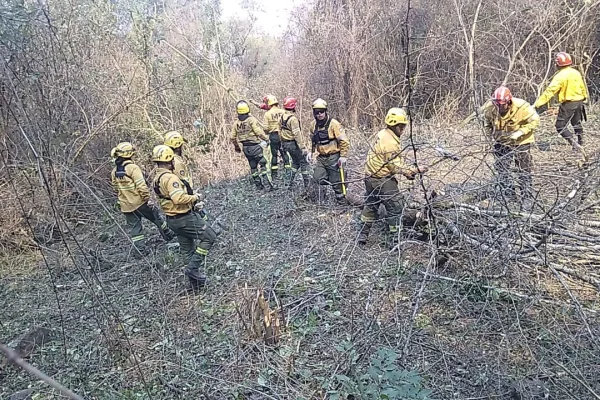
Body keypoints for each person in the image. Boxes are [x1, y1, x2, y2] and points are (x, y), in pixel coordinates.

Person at [357, 108, 428, 245]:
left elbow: (391, 162)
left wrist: (408, 172)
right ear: (396, 125)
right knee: (396, 207)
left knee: (371, 205)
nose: (403, 129)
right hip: (381, 179)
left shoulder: (383, 134)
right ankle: (395, 240)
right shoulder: (390, 142)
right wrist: (414, 170)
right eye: (401, 126)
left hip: (369, 177)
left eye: (404, 126)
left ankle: (363, 234)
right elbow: (394, 166)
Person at [152, 145, 217, 290]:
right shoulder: (170, 178)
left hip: (172, 220)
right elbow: (177, 198)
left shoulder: (157, 178)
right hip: (184, 218)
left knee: (187, 250)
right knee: (210, 236)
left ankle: (195, 285)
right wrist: (194, 198)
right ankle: (193, 268)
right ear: (170, 161)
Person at [110, 142, 175, 255]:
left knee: (136, 229)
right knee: (156, 218)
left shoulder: (114, 171)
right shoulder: (133, 168)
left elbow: (116, 188)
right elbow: (141, 186)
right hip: (140, 203)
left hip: (126, 206)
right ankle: (168, 235)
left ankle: (140, 250)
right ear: (130, 154)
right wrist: (147, 199)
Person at [481, 86, 539, 205]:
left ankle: (526, 196)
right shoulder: (489, 108)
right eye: (497, 104)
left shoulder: (522, 107)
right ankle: (508, 194)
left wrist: (520, 132)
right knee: (502, 168)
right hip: (501, 141)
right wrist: (488, 139)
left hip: (521, 141)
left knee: (523, 169)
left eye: (502, 104)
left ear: (509, 102)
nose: (499, 107)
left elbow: (535, 121)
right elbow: (487, 124)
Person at [534, 52, 588, 150]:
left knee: (560, 126)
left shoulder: (560, 76)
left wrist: (538, 104)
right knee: (576, 122)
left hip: (568, 103)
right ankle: (581, 141)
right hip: (580, 101)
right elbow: (582, 86)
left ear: (557, 64)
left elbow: (549, 91)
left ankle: (575, 145)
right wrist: (584, 97)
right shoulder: (576, 72)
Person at [308, 98, 350, 204]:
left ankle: (341, 200)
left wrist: (343, 156)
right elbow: (313, 140)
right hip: (321, 158)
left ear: (326, 111)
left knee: (336, 180)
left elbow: (343, 140)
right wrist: (311, 152)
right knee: (317, 178)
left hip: (333, 156)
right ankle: (324, 193)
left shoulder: (334, 124)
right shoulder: (313, 125)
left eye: (321, 111)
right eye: (317, 112)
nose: (319, 114)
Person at [231, 100, 274, 191]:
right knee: (263, 163)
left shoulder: (236, 124)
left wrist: (237, 147)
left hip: (245, 148)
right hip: (255, 146)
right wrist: (266, 139)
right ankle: (268, 185)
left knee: (253, 166)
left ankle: (258, 185)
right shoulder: (251, 120)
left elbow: (232, 137)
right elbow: (258, 132)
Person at [278, 96, 311, 190]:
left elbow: (279, 131)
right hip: (293, 144)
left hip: (285, 144)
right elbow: (297, 134)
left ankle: (290, 183)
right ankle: (307, 185)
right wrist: (303, 147)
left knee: (295, 162)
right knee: (303, 162)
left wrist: (282, 143)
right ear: (293, 106)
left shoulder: (281, 117)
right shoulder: (293, 119)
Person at [263, 95, 290, 179]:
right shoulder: (283, 112)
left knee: (274, 155)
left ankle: (274, 175)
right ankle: (288, 173)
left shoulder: (267, 114)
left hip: (273, 136)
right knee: (284, 153)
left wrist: (267, 132)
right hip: (283, 135)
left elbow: (265, 128)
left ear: (269, 104)